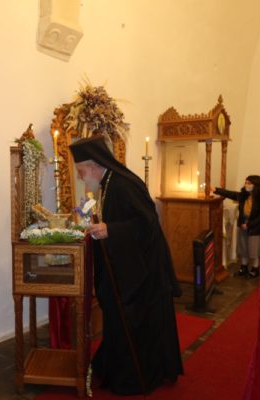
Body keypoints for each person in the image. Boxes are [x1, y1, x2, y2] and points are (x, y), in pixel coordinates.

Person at [69, 135, 183, 395]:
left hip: (143, 272)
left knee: (135, 323)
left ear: (94, 166)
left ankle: (136, 376)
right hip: (128, 267)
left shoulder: (123, 184)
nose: (80, 177)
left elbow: (147, 224)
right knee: (117, 320)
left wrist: (111, 229)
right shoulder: (109, 182)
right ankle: (114, 366)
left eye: (81, 171)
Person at [214, 175, 260, 278]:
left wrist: (249, 224)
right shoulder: (243, 195)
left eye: (249, 183)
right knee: (243, 248)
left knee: (254, 250)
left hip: (254, 227)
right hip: (242, 225)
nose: (246, 185)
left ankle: (255, 268)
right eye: (246, 182)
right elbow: (231, 194)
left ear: (256, 185)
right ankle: (244, 267)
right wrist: (216, 190)